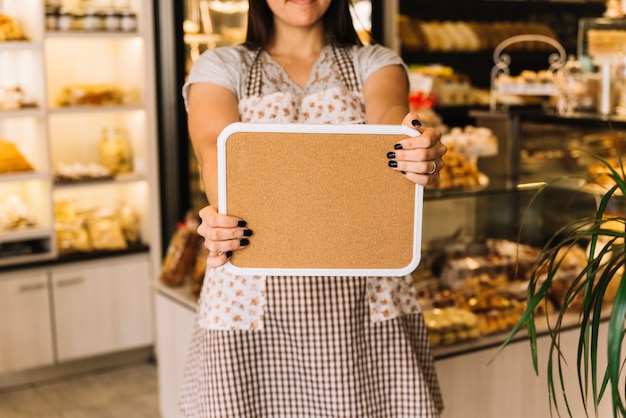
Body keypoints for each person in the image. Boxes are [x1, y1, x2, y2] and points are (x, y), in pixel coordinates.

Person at [180, 0, 447, 416]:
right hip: (251, 299)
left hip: (363, 300)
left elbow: (391, 119)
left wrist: (414, 149)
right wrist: (222, 212)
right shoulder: (220, 65)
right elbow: (215, 149)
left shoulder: (375, 62)